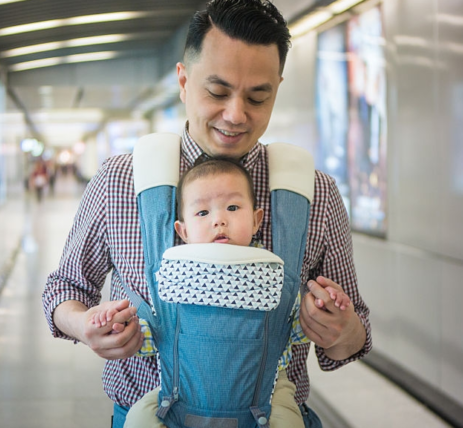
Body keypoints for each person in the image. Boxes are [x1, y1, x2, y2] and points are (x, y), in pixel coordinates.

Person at [42, 1, 372, 427]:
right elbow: (64, 289)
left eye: (258, 96)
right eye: (217, 92)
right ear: (183, 80)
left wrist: (341, 331)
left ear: (278, 87)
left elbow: (352, 338)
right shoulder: (122, 180)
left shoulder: (313, 194)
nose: (236, 115)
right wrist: (84, 323)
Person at [90, 158, 351, 427]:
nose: (219, 220)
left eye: (233, 207)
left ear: (255, 220)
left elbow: (295, 327)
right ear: (183, 231)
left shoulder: (272, 271)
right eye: (202, 213)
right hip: (178, 392)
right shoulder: (175, 273)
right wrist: (123, 328)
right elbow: (158, 333)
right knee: (137, 420)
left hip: (269, 392)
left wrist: (322, 309)